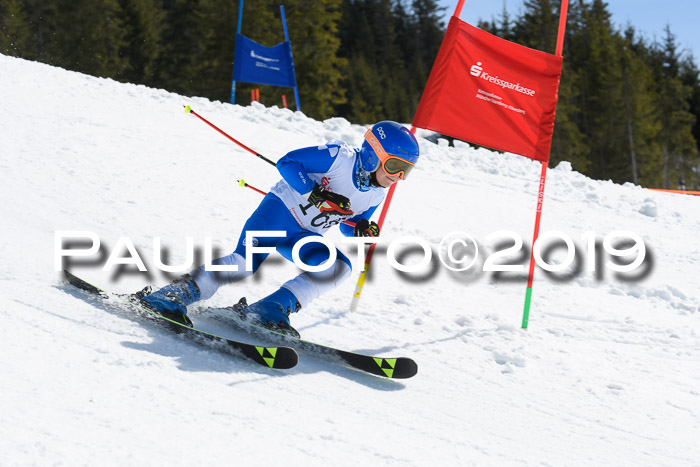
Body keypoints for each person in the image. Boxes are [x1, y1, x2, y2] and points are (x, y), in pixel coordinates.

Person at [139, 121, 420, 337]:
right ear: (373, 155)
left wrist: (359, 230)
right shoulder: (339, 157)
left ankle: (268, 310)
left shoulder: (376, 193)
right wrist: (314, 193)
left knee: (338, 267)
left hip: (304, 236)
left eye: (405, 171)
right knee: (244, 263)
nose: (397, 177)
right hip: (279, 213)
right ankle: (171, 296)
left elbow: (347, 223)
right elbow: (288, 162)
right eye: (394, 166)